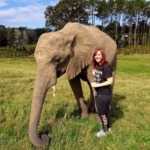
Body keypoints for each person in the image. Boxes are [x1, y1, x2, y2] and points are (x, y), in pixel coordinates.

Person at [91, 48, 113, 137]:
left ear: (103, 55)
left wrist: (96, 86)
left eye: (99, 55)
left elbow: (110, 81)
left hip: (104, 94)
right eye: (96, 55)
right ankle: (107, 127)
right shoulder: (99, 66)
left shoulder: (106, 66)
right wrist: (95, 74)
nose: (97, 56)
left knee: (101, 113)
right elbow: (102, 76)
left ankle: (104, 131)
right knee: (104, 111)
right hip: (100, 93)